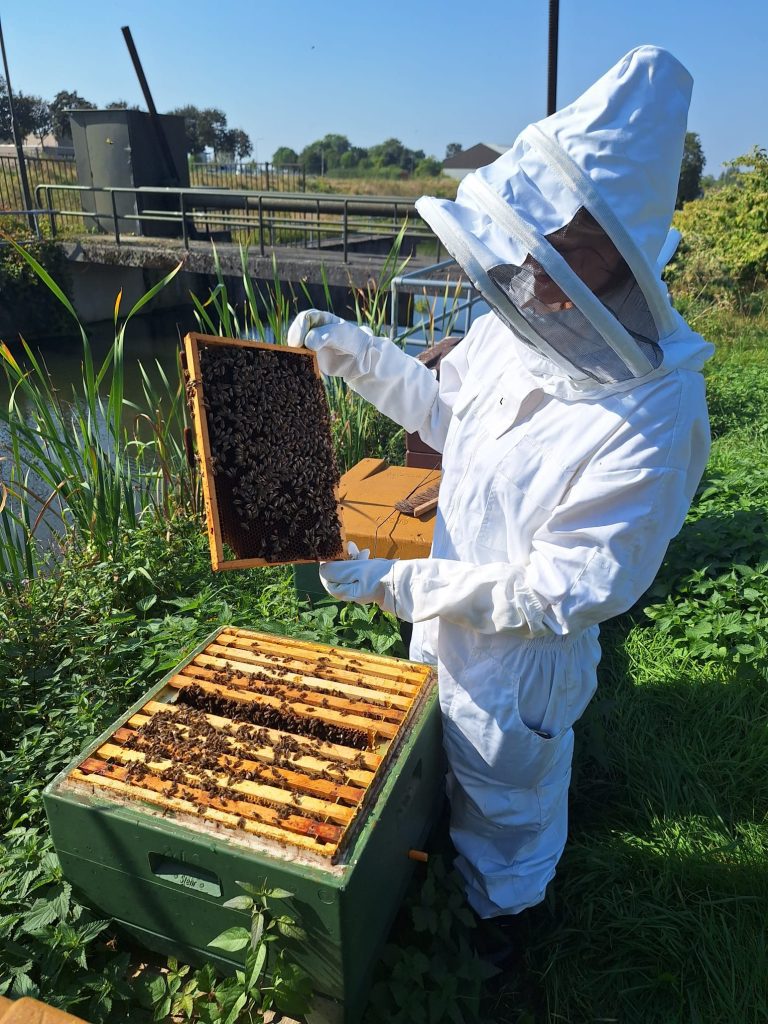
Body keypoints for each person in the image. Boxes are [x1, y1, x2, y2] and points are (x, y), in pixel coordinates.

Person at [287, 46, 713, 922]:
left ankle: (499, 933)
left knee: (507, 806)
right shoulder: (524, 322)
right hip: (446, 610)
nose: (532, 278)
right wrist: (357, 355)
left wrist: (400, 582)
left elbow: (568, 588)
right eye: (529, 247)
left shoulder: (659, 415)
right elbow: (452, 420)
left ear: (617, 259)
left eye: (561, 257)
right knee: (432, 762)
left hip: (522, 664)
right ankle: (436, 872)